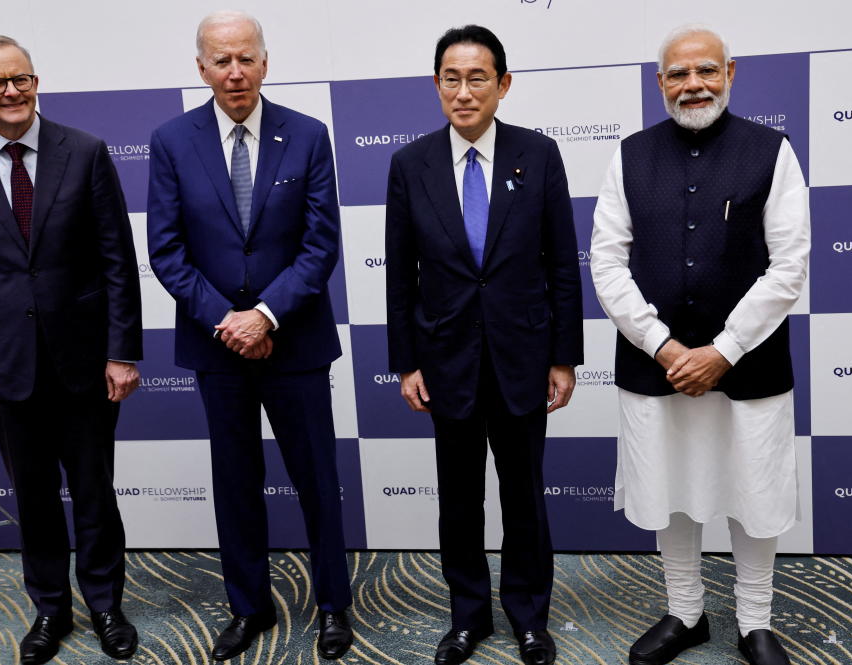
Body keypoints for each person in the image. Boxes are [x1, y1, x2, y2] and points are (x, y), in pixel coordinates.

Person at [590, 25, 809, 665]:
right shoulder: (629, 155)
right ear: (660, 82)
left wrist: (724, 350)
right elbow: (607, 264)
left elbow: (789, 264)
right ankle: (685, 613)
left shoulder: (773, 151)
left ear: (730, 73)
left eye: (706, 71)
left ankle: (755, 621)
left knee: (753, 491)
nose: (694, 85)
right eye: (679, 75)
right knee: (669, 487)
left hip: (749, 365)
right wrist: (663, 347)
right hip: (654, 364)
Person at [146, 10, 353, 662]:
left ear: (265, 62)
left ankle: (332, 606)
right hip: (215, 344)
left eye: (246, 58)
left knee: (318, 478)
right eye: (221, 60)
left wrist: (263, 316)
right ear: (201, 68)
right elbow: (166, 248)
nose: (234, 72)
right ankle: (248, 605)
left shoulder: (309, 135)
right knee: (235, 480)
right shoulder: (171, 140)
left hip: (295, 342)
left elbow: (320, 247)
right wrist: (228, 322)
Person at [0, 35, 143, 665]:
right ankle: (50, 609)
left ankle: (105, 605)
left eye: (21, 78)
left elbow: (117, 262)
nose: (12, 91)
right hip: (5, 364)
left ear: (37, 82)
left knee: (95, 491)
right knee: (34, 498)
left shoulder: (85, 152)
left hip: (84, 361)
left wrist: (122, 351)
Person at [385, 24, 583, 665]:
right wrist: (406, 362)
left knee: (524, 497)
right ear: (436, 84)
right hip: (446, 364)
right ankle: (467, 618)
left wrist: (563, 357)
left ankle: (529, 618)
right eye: (451, 77)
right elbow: (400, 272)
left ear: (503, 84)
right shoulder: (409, 164)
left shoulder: (539, 153)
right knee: (459, 500)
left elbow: (561, 264)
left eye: (477, 78)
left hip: (524, 359)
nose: (463, 91)